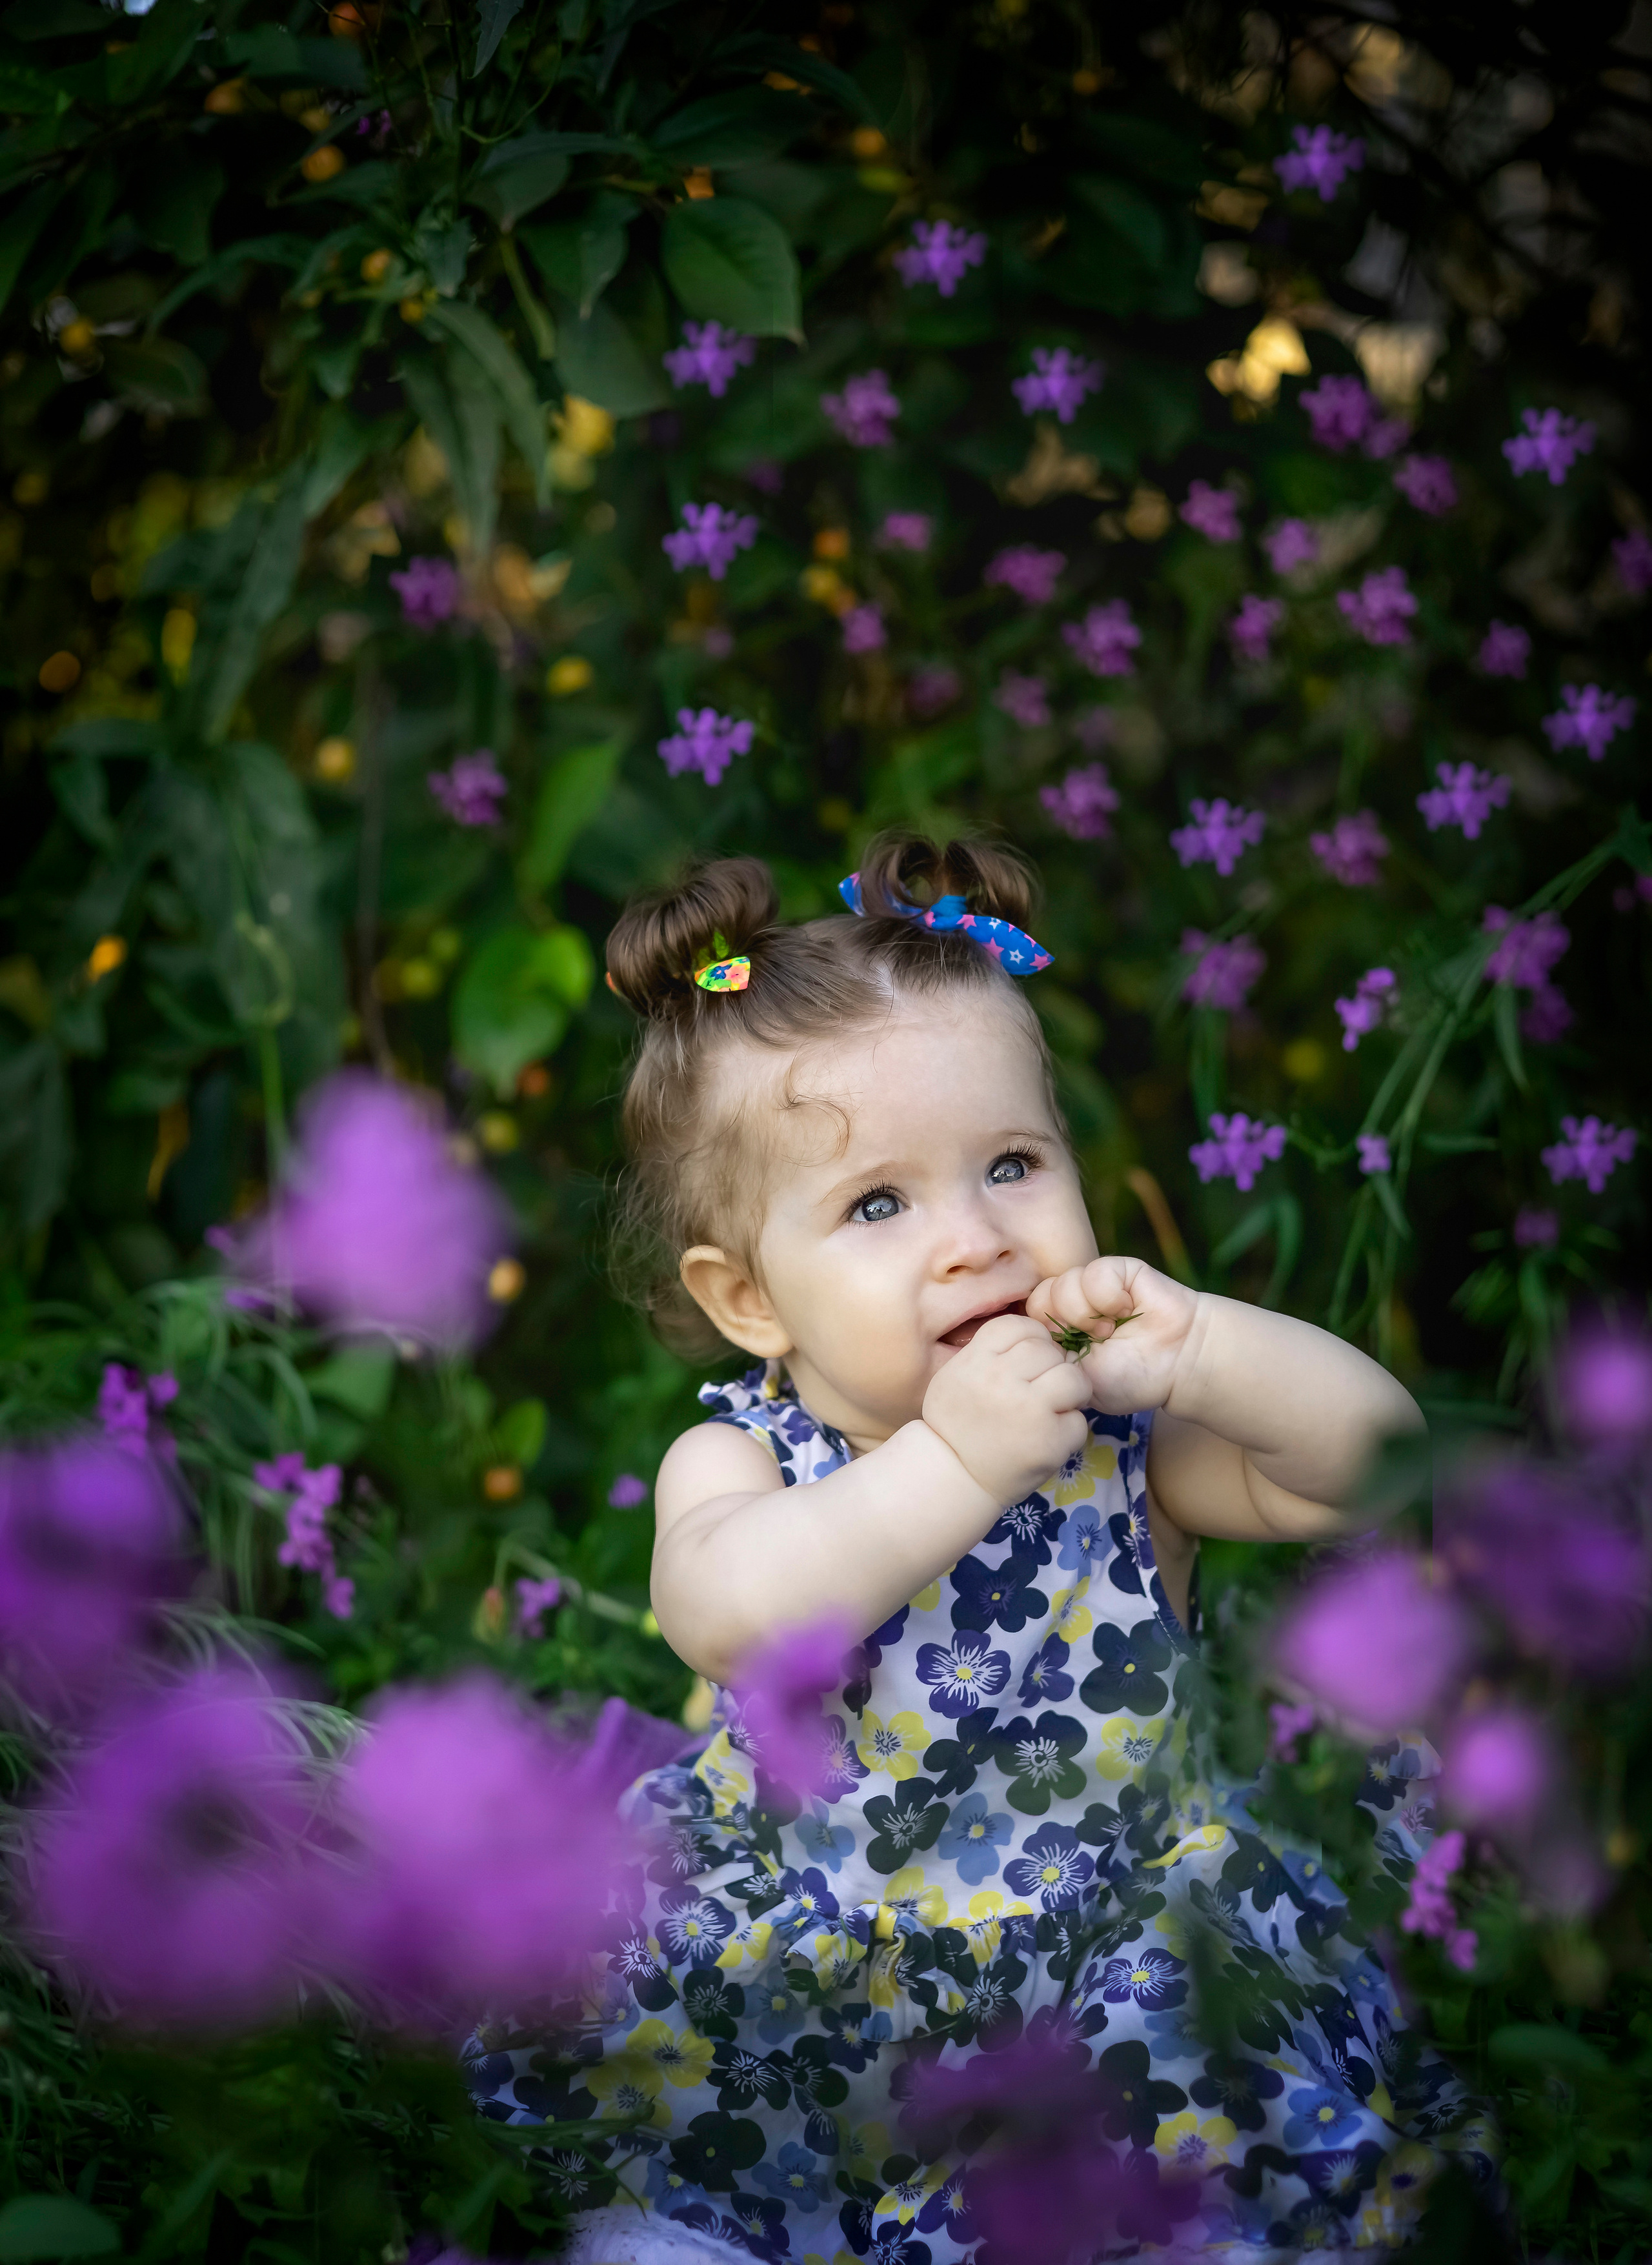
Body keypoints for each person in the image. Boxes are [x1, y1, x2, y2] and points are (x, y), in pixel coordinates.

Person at [464, 835, 1496, 2262]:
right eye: (878, 1205)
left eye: (1010, 1165)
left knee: (1169, 2100)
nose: (972, 1241)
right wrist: (951, 1464)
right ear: (749, 1299)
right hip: (840, 1963)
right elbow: (731, 1617)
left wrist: (1202, 1345)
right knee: (707, 2174)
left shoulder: (1122, 1443)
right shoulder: (743, 1459)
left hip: (1115, 1937)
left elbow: (1366, 1469)